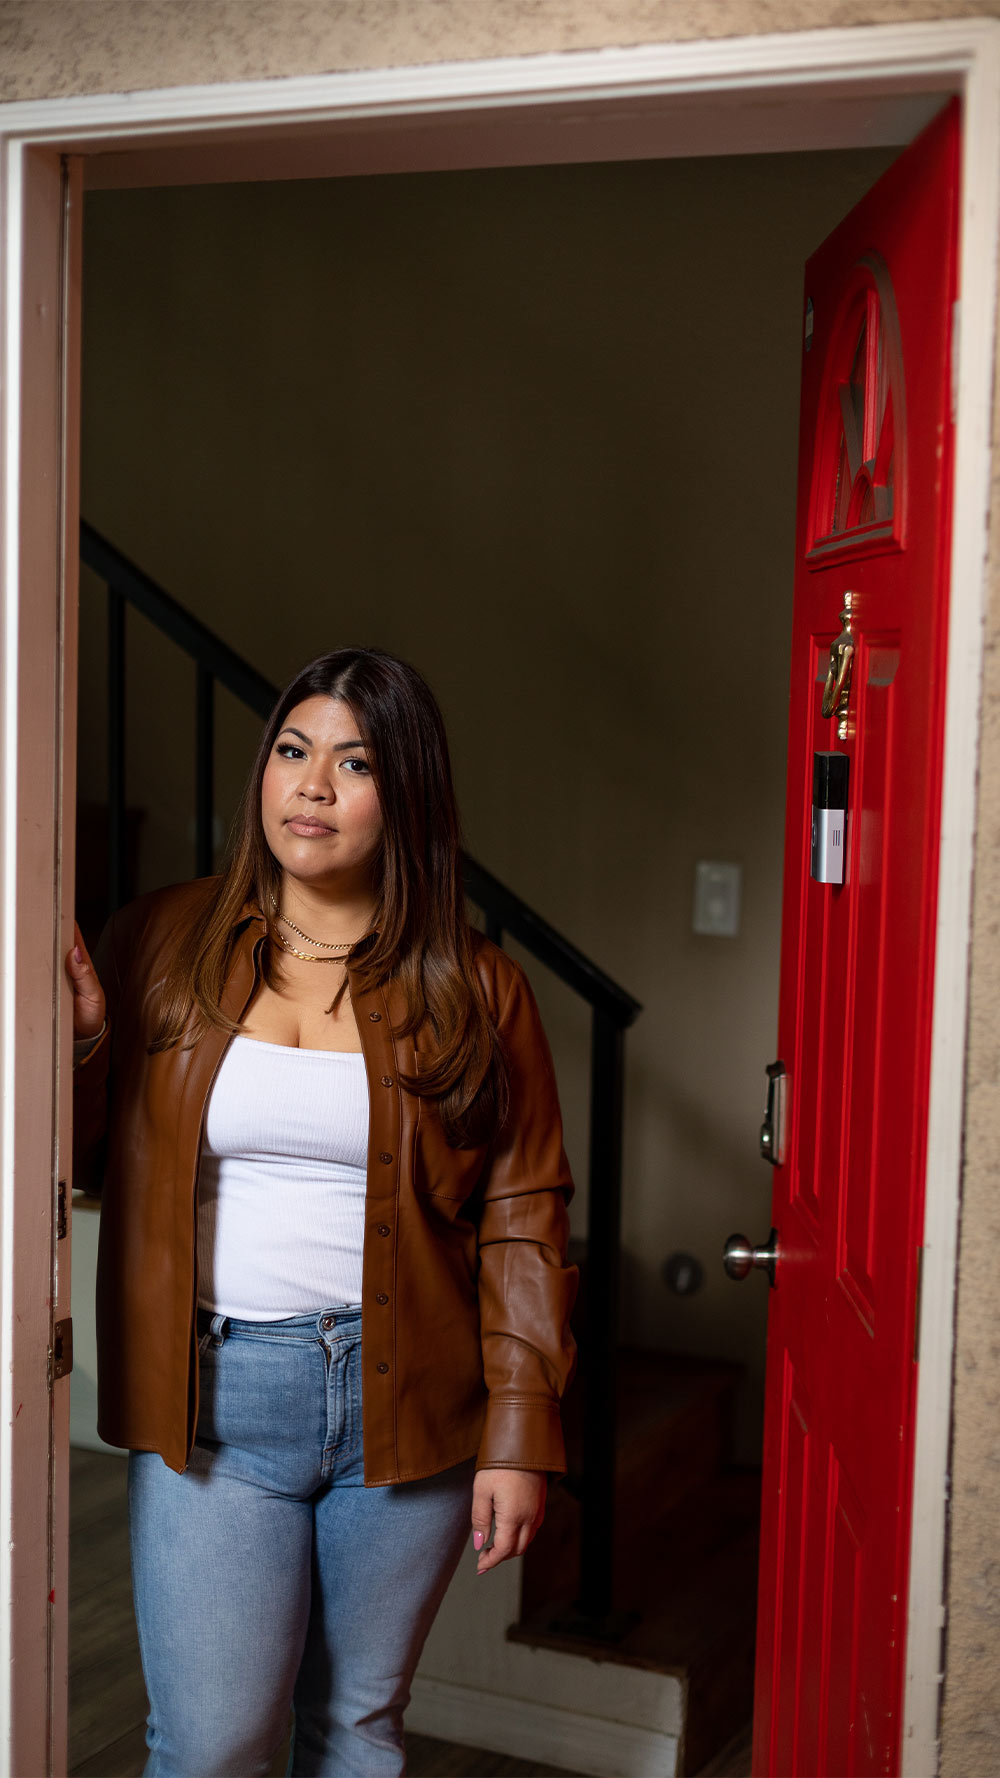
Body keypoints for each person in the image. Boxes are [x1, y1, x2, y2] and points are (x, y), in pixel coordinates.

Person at [68, 647, 578, 1778]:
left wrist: (518, 1432)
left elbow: (524, 1212)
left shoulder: (478, 985)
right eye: (292, 751)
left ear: (405, 795)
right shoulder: (160, 940)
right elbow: (76, 1155)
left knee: (354, 1729)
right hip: (219, 1399)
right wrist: (92, 1038)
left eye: (352, 763)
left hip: (415, 1402)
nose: (311, 785)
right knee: (211, 1745)